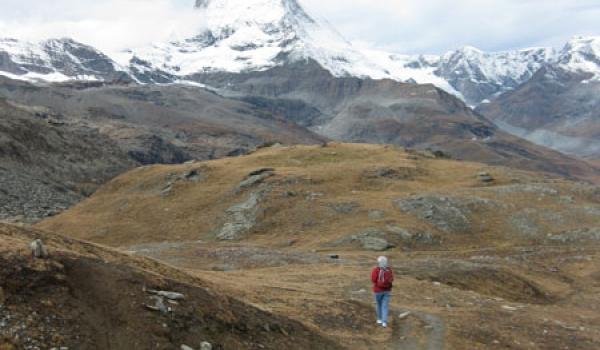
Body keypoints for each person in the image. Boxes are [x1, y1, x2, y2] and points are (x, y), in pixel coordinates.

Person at [371, 256, 393, 328]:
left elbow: (373, 280)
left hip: (378, 290)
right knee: (385, 306)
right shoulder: (389, 270)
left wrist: (377, 284)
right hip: (387, 291)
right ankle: (384, 322)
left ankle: (379, 319)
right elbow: (392, 279)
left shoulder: (376, 270)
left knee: (378, 305)